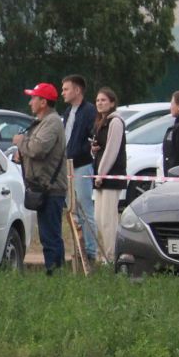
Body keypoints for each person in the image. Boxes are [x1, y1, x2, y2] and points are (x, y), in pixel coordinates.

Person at [11, 81, 69, 273]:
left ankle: (55, 273)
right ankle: (55, 271)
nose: (30, 103)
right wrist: (22, 155)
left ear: (43, 102)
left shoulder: (51, 122)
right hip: (43, 187)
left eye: (33, 98)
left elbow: (38, 149)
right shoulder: (44, 122)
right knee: (48, 235)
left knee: (50, 236)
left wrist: (21, 142)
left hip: (51, 189)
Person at [58, 74, 99, 265]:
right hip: (67, 166)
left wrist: (82, 151)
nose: (63, 93)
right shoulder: (68, 112)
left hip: (81, 165)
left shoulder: (89, 111)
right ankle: (78, 249)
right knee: (72, 210)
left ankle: (91, 250)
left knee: (84, 209)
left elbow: (92, 136)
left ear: (77, 90)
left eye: (66, 89)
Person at [91, 86, 127, 264]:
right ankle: (102, 254)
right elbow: (100, 148)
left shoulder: (116, 122)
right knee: (98, 218)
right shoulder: (100, 122)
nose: (100, 103)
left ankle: (111, 257)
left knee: (108, 219)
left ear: (112, 103)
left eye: (103, 100)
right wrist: (93, 150)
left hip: (111, 177)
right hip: (100, 178)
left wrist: (101, 174)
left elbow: (112, 150)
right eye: (97, 100)